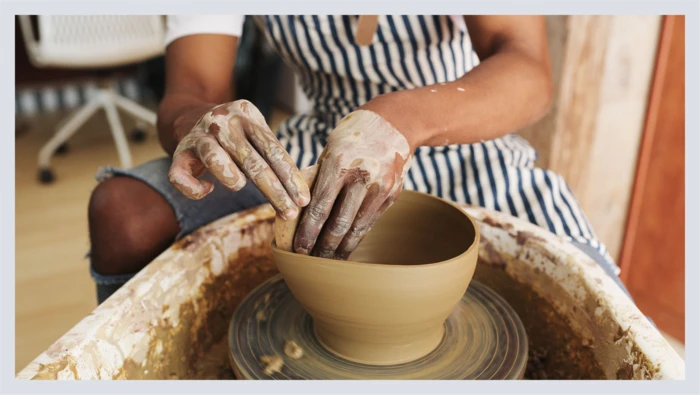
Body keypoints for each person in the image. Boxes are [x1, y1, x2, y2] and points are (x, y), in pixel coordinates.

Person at [88, 15, 628, 304]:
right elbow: (192, 88)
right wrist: (197, 123)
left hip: (463, 135)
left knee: (596, 303)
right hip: (318, 143)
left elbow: (528, 68)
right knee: (123, 210)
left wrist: (402, 120)